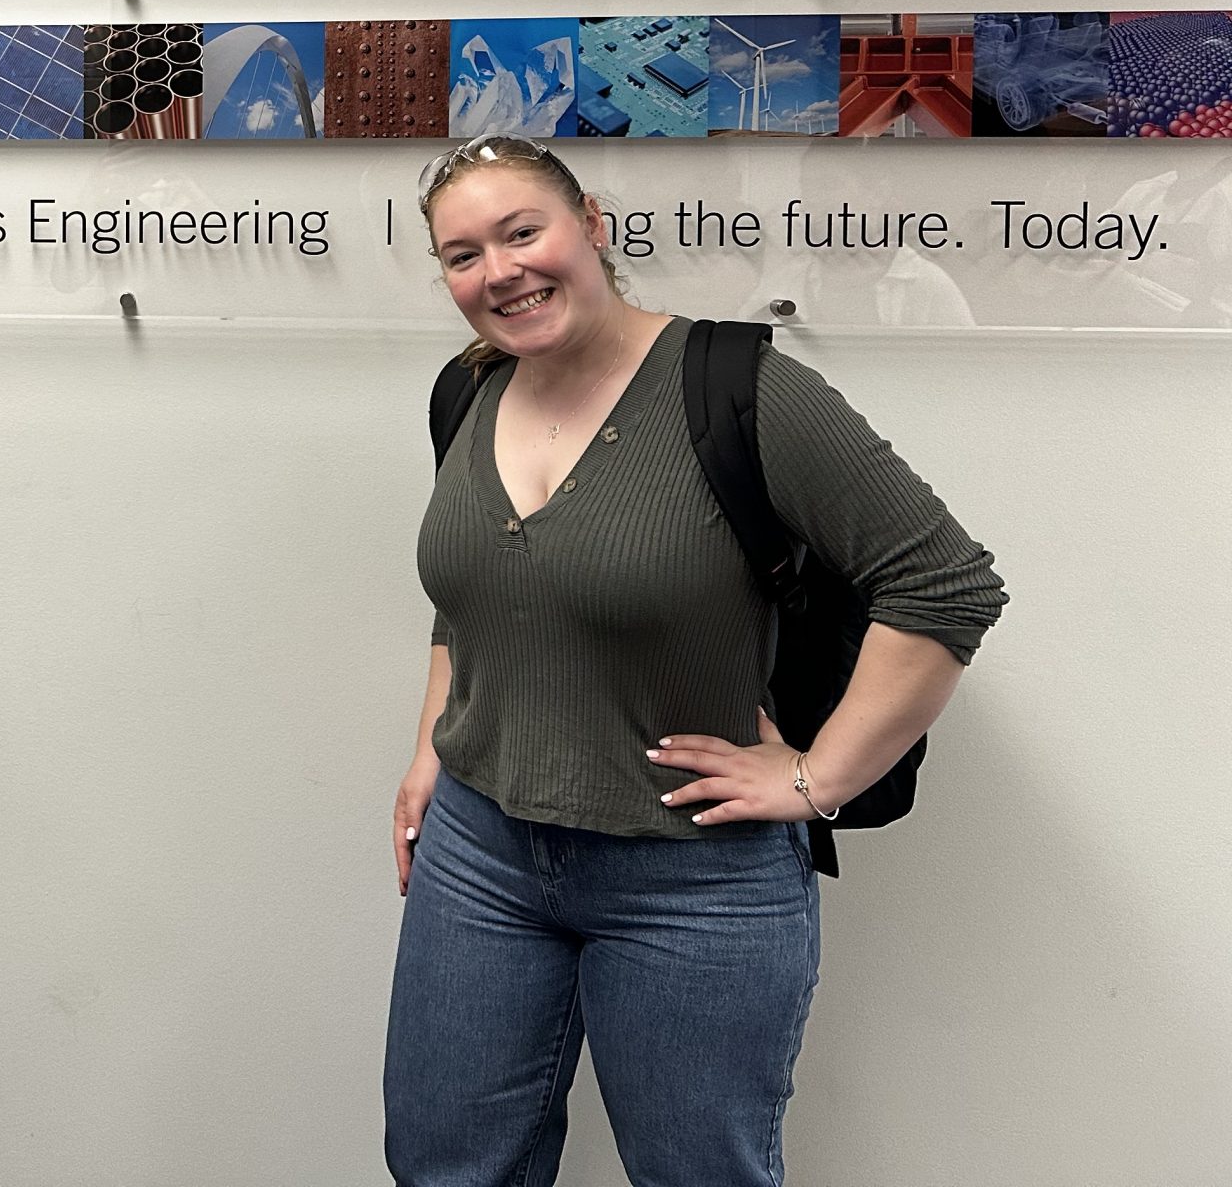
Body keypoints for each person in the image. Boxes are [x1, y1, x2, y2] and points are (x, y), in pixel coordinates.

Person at [384, 136, 1006, 1187]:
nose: (499, 271)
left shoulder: (741, 389)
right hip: (479, 858)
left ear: (593, 225)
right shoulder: (468, 392)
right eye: (461, 255)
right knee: (444, 1167)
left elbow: (944, 584)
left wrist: (818, 778)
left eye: (522, 231)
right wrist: (428, 752)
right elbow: (476, 598)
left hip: (691, 874)